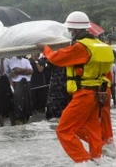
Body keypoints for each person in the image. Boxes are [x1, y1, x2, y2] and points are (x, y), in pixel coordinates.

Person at [37, 11, 114, 164]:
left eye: (71, 30)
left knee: (63, 130)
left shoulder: (81, 48)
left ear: (76, 30)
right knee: (92, 130)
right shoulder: (101, 46)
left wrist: (45, 49)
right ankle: (98, 159)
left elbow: (56, 58)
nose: (70, 33)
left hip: (84, 94)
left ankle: (86, 162)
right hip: (99, 93)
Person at [0, 58, 15, 127]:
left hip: (6, 81)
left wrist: (12, 84)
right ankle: (2, 126)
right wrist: (1, 60)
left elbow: (11, 73)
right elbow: (0, 73)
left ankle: (13, 124)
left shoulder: (7, 60)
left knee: (11, 105)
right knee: (0, 106)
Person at [9, 56, 33, 125]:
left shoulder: (26, 60)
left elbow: (31, 71)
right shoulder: (12, 60)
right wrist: (25, 71)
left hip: (27, 83)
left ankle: (25, 124)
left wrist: (18, 72)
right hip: (18, 84)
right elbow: (17, 70)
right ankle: (18, 126)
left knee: (27, 105)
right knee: (18, 105)